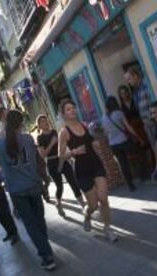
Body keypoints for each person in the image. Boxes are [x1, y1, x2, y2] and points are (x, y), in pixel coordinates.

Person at [0, 110, 56, 271]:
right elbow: (36, 159)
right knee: (39, 218)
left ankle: (46, 255)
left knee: (30, 223)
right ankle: (45, 247)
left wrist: (4, 167)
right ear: (21, 124)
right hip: (34, 184)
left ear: (6, 124)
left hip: (16, 190)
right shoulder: (28, 139)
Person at [58, 99, 117, 242]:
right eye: (68, 109)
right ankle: (87, 215)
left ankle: (107, 229)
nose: (72, 111)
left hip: (96, 164)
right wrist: (73, 152)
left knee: (103, 199)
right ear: (64, 114)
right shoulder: (64, 133)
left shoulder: (84, 124)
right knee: (93, 205)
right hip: (82, 170)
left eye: (73, 108)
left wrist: (97, 142)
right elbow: (61, 156)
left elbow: (91, 141)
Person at [36, 115, 85, 217]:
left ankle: (83, 206)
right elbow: (43, 155)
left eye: (46, 120)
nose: (45, 123)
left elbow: (62, 146)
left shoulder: (54, 132)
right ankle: (58, 203)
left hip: (62, 159)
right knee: (60, 186)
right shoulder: (39, 138)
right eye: (42, 122)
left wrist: (69, 155)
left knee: (73, 182)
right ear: (39, 125)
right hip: (52, 163)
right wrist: (52, 143)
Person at [102, 96, 146, 191]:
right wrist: (138, 137)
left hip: (113, 145)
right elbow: (128, 127)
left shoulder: (104, 117)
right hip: (124, 141)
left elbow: (105, 132)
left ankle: (130, 185)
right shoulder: (119, 113)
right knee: (139, 154)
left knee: (123, 164)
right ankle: (144, 175)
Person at [123, 67, 155, 148]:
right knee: (155, 146)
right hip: (146, 123)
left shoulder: (145, 85)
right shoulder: (135, 92)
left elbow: (153, 102)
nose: (128, 82)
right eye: (126, 80)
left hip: (153, 121)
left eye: (129, 79)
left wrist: (153, 118)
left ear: (136, 76)